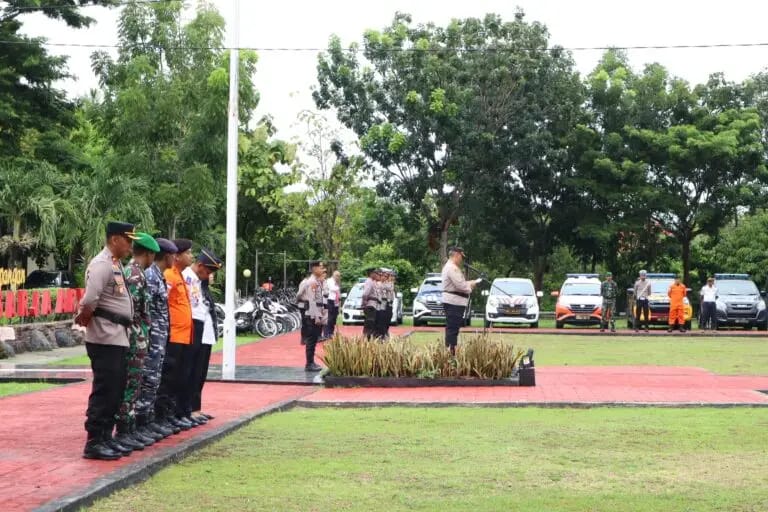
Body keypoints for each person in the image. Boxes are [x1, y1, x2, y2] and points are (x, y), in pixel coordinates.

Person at [75, 221, 137, 460]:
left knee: (116, 389)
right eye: (127, 240)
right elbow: (90, 300)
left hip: (116, 336)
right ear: (114, 239)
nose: (130, 245)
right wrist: (85, 317)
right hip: (103, 336)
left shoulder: (115, 264)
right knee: (105, 389)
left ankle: (105, 437)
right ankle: (94, 441)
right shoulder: (101, 264)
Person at [113, 232, 160, 451]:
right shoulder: (134, 274)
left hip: (139, 338)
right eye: (154, 255)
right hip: (133, 338)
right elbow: (130, 311)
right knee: (130, 384)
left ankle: (130, 429)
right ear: (148, 254)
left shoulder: (138, 273)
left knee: (136, 383)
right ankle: (124, 430)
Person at [135, 237, 178, 441]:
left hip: (158, 339)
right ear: (167, 256)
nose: (175, 259)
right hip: (151, 338)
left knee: (154, 380)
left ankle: (148, 420)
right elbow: (146, 310)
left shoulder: (158, 276)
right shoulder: (151, 276)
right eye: (174, 256)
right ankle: (140, 423)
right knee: (147, 380)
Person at [156, 238, 197, 431]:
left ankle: (172, 415)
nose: (191, 256)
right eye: (188, 253)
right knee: (168, 378)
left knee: (179, 378)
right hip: (172, 336)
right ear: (177, 256)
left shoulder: (179, 275)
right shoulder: (169, 276)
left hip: (183, 336)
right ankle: (164, 417)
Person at [183, 248, 222, 424]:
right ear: (199, 266)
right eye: (208, 271)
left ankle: (195, 408)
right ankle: (187, 409)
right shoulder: (187, 278)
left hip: (206, 333)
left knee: (200, 373)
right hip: (192, 330)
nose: (210, 276)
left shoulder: (199, 281)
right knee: (190, 372)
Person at [441, 247, 479, 355]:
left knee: (453, 329)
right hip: (453, 303)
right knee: (452, 329)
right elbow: (461, 286)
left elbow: (459, 284)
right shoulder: (452, 268)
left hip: (454, 302)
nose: (462, 259)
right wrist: (470, 286)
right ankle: (450, 353)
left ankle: (451, 351)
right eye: (461, 257)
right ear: (457, 255)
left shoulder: (450, 267)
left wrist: (468, 283)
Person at [297, 260, 326, 371]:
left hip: (316, 311)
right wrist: (317, 317)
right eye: (320, 267)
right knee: (311, 339)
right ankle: (309, 363)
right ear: (314, 269)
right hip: (312, 313)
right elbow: (312, 300)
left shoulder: (317, 282)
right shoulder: (312, 282)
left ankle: (311, 362)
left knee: (313, 339)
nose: (322, 270)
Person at [321, 270, 342, 340]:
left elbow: (338, 293)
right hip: (329, 300)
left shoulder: (337, 283)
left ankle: (331, 333)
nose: (338, 277)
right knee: (329, 318)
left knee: (334, 318)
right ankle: (327, 333)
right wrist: (338, 289)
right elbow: (333, 288)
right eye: (337, 275)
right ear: (333, 275)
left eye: (339, 276)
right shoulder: (330, 281)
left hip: (335, 302)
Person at [361, 267, 380, 339]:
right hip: (370, 305)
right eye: (375, 273)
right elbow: (365, 294)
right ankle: (366, 340)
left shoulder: (372, 281)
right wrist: (364, 303)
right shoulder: (369, 281)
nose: (376, 275)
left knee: (371, 324)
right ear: (371, 274)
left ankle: (368, 339)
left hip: (373, 305)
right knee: (369, 324)